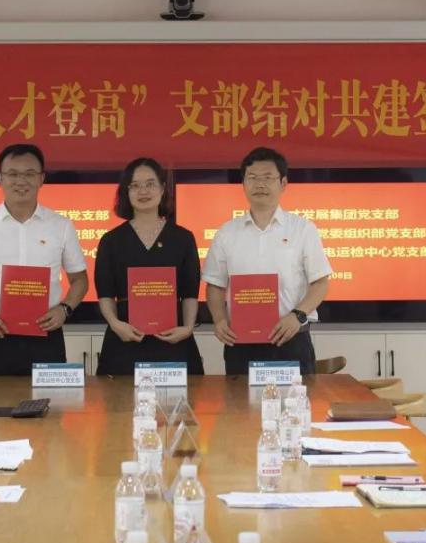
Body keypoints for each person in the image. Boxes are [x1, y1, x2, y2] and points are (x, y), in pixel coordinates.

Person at [0, 144, 89, 378]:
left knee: (50, 402)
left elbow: (80, 279)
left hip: (46, 336)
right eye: (13, 174)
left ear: (42, 178)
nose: (21, 181)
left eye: (29, 174)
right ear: (0, 178)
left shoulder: (61, 225)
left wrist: (64, 309)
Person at [202, 147, 332, 375]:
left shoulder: (302, 229)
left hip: (290, 338)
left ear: (283, 183)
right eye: (252, 177)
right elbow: (215, 285)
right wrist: (219, 319)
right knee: (239, 399)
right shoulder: (227, 232)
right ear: (243, 183)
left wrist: (297, 315)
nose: (259, 184)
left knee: (296, 399)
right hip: (240, 342)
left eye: (268, 177)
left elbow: (320, 282)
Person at [94, 157, 204, 375]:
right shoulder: (111, 240)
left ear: (162, 189)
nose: (143, 191)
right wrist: (115, 324)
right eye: (135, 185)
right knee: (118, 396)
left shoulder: (183, 238)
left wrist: (188, 328)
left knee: (181, 396)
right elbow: (105, 294)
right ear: (126, 192)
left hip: (174, 339)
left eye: (150, 184)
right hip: (125, 339)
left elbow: (190, 292)